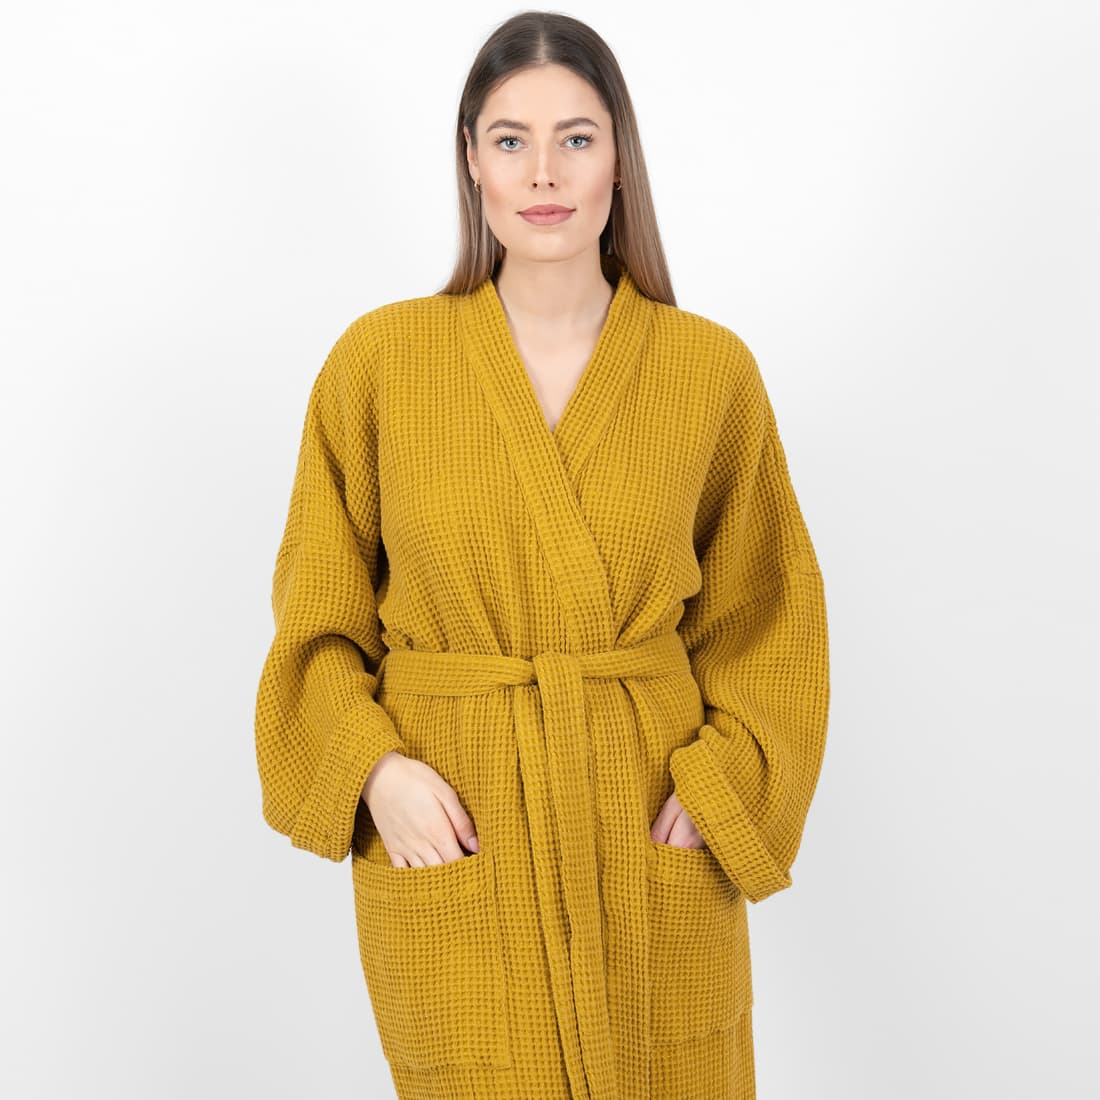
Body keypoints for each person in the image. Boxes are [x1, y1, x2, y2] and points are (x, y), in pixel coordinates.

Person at [253, 10, 830, 1100]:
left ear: (619, 158)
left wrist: (721, 787)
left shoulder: (708, 371)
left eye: (576, 137)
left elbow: (770, 620)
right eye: (510, 139)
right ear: (470, 159)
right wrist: (374, 772)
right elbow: (317, 622)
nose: (544, 172)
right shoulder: (379, 363)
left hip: (644, 817)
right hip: (457, 826)